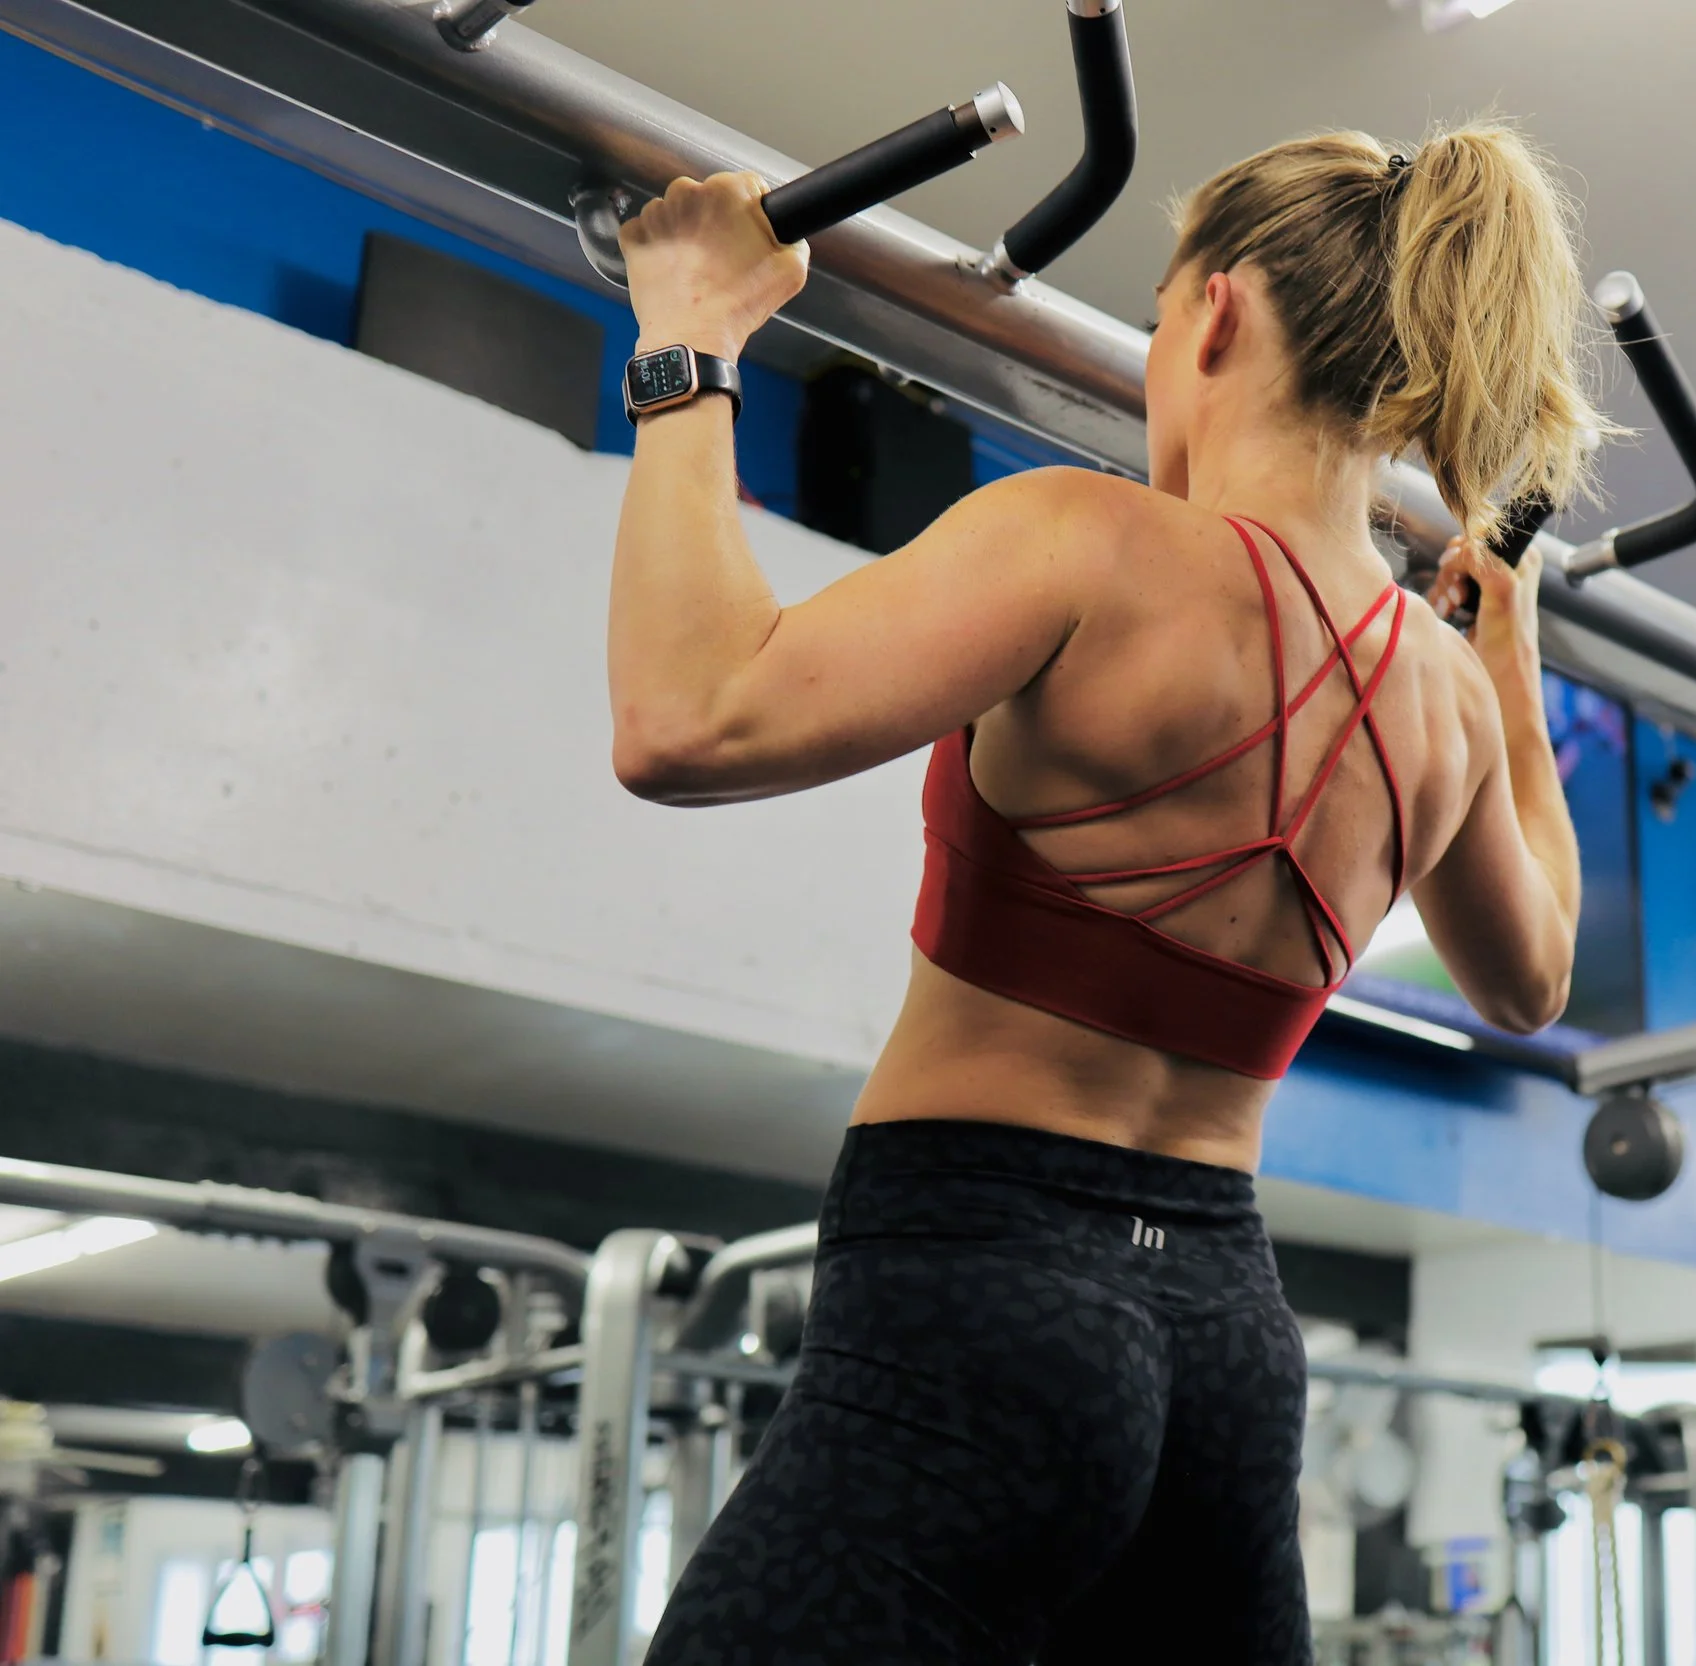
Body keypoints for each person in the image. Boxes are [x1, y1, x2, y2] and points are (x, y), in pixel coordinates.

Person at [608, 121, 1600, 1666]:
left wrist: (691, 332)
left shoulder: (1089, 543)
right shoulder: (1448, 701)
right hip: (1229, 1340)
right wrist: (1508, 643)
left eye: (1154, 318)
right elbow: (1534, 976)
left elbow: (687, 719)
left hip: (979, 1294)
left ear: (1214, 312)